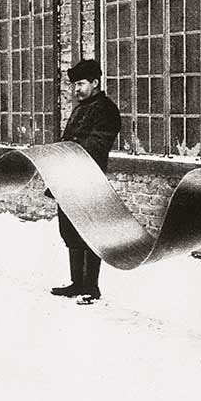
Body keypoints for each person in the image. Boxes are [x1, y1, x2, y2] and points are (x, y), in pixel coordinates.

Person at [48, 59, 121, 305]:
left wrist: (69, 150)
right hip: (69, 178)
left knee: (91, 231)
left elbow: (98, 144)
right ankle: (76, 283)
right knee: (69, 229)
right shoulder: (82, 107)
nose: (76, 89)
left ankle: (91, 287)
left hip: (89, 179)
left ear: (95, 82)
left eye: (80, 84)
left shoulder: (106, 109)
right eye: (74, 85)